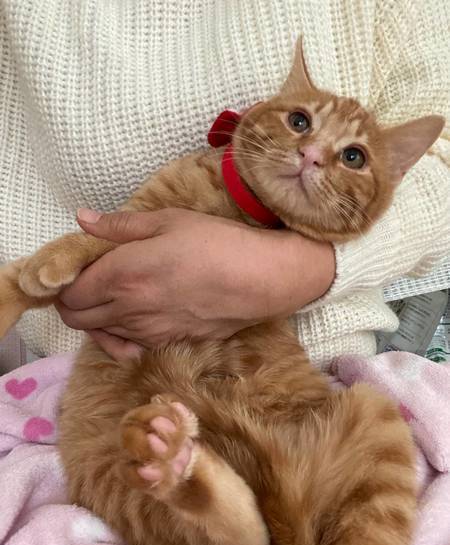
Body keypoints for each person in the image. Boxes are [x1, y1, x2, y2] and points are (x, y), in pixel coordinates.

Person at [1, 1, 449, 370]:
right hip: (83, 364)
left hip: (320, 369)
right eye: (299, 122)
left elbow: (443, 159)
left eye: (351, 157)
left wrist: (296, 270)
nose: (313, 154)